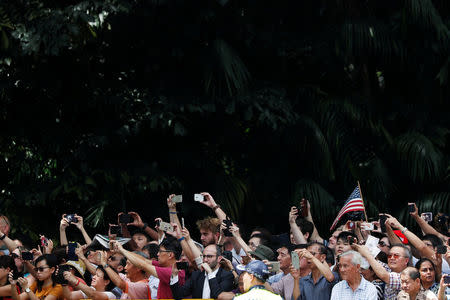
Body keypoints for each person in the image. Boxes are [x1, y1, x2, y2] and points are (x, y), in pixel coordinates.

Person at [111, 237, 185, 299]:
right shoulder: (165, 265)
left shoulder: (173, 272)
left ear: (170, 255)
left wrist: (122, 250)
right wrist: (121, 251)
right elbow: (144, 260)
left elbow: (143, 265)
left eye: (160, 251)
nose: (157, 254)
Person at [170, 244, 234, 299]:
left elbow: (216, 295)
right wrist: (174, 275)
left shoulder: (227, 275)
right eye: (204, 256)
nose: (205, 260)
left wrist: (210, 273)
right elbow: (178, 295)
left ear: (219, 258)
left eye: (209, 256)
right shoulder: (196, 275)